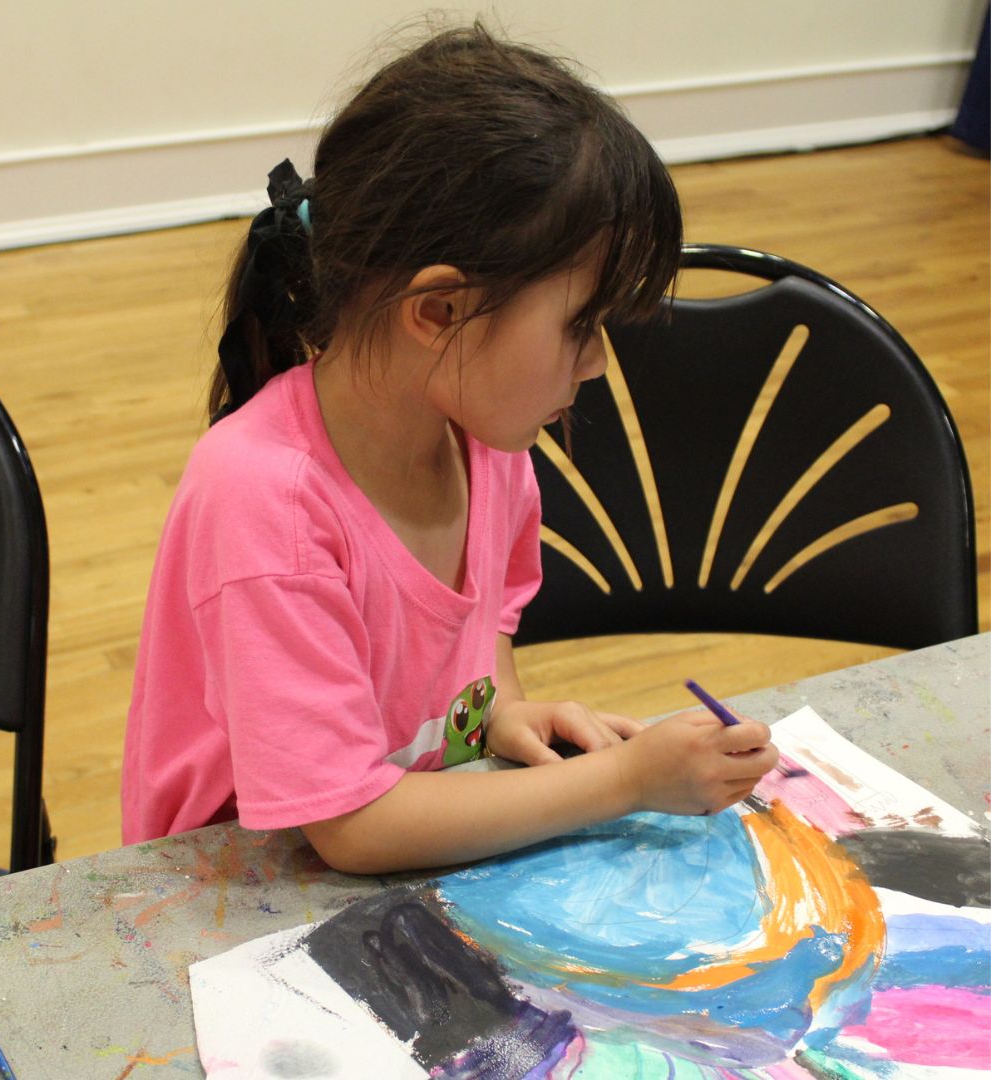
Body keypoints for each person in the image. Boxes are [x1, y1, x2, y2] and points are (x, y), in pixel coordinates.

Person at [122, 21, 778, 873]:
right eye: (581, 327)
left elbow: (482, 630)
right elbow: (354, 827)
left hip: (395, 855)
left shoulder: (486, 442)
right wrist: (620, 782)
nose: (597, 364)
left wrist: (500, 711)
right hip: (232, 900)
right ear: (439, 312)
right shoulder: (265, 506)